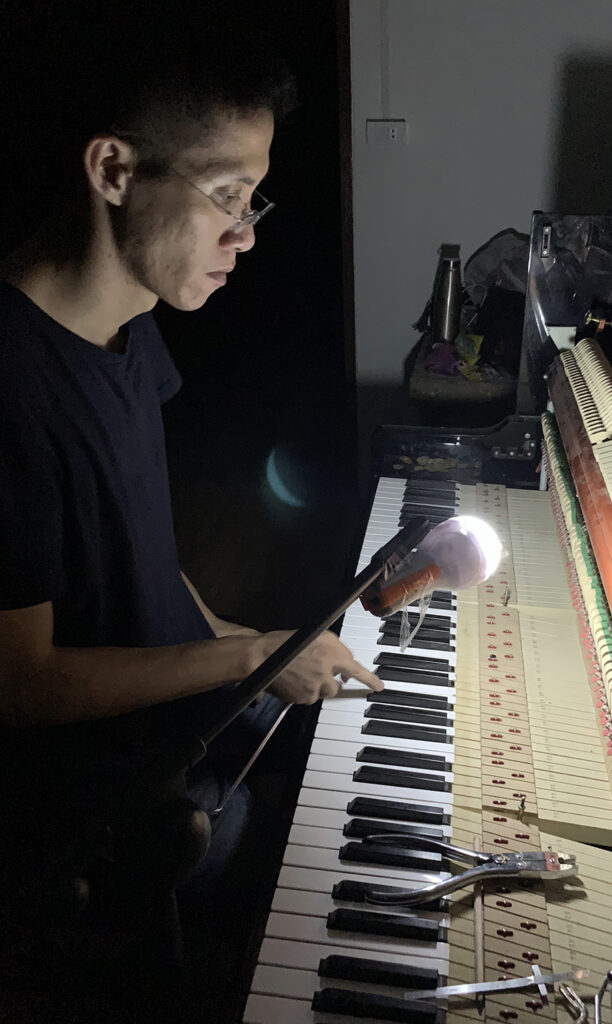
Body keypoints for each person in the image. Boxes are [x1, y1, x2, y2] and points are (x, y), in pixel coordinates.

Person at [0, 4, 381, 1019]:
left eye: (256, 202)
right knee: (295, 855)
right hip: (90, 793)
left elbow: (145, 549)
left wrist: (244, 646)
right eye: (225, 197)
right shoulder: (10, 386)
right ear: (114, 170)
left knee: (353, 733)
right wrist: (249, 654)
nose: (245, 237)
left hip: (174, 698)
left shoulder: (128, 332)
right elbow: (22, 684)